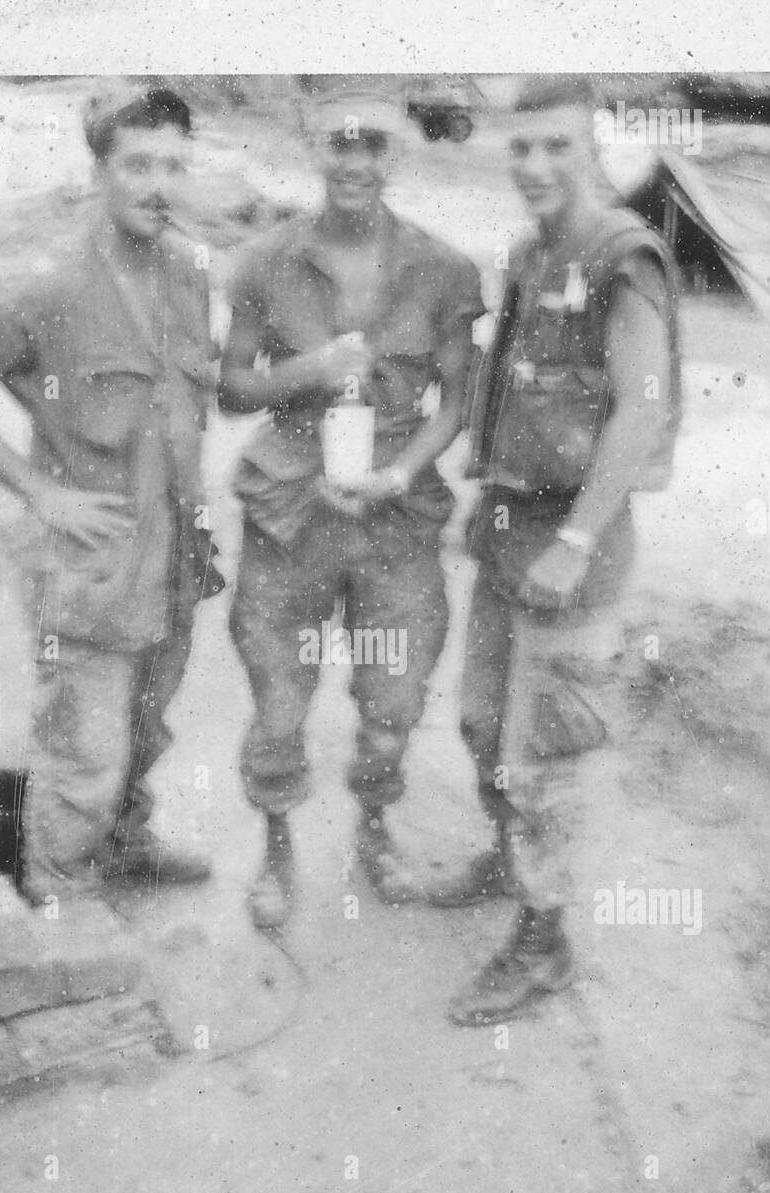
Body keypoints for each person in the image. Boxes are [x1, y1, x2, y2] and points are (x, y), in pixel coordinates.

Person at [0, 84, 221, 911]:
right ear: (100, 169)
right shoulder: (46, 278)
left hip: (173, 556)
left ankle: (127, 843)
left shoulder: (189, 270)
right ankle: (61, 894)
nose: (159, 184)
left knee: (145, 731)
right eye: (139, 165)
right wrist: (39, 492)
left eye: (173, 164)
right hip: (88, 564)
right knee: (81, 752)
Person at [430, 75, 681, 1025]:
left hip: (572, 550)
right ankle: (507, 866)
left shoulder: (624, 255)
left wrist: (575, 540)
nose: (533, 166)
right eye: (520, 147)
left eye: (556, 147)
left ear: (594, 148)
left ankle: (545, 947)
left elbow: (641, 406)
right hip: (508, 537)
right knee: (485, 728)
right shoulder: (534, 250)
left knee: (553, 757)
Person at [218, 85, 485, 931]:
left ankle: (374, 828)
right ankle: (277, 849)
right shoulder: (265, 261)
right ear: (312, 147)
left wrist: (403, 472)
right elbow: (231, 389)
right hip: (291, 507)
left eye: (373, 145)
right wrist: (310, 369)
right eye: (339, 143)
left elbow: (456, 401)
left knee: (394, 695)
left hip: (396, 519)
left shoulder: (444, 268)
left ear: (396, 153)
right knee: (278, 697)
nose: (355, 162)